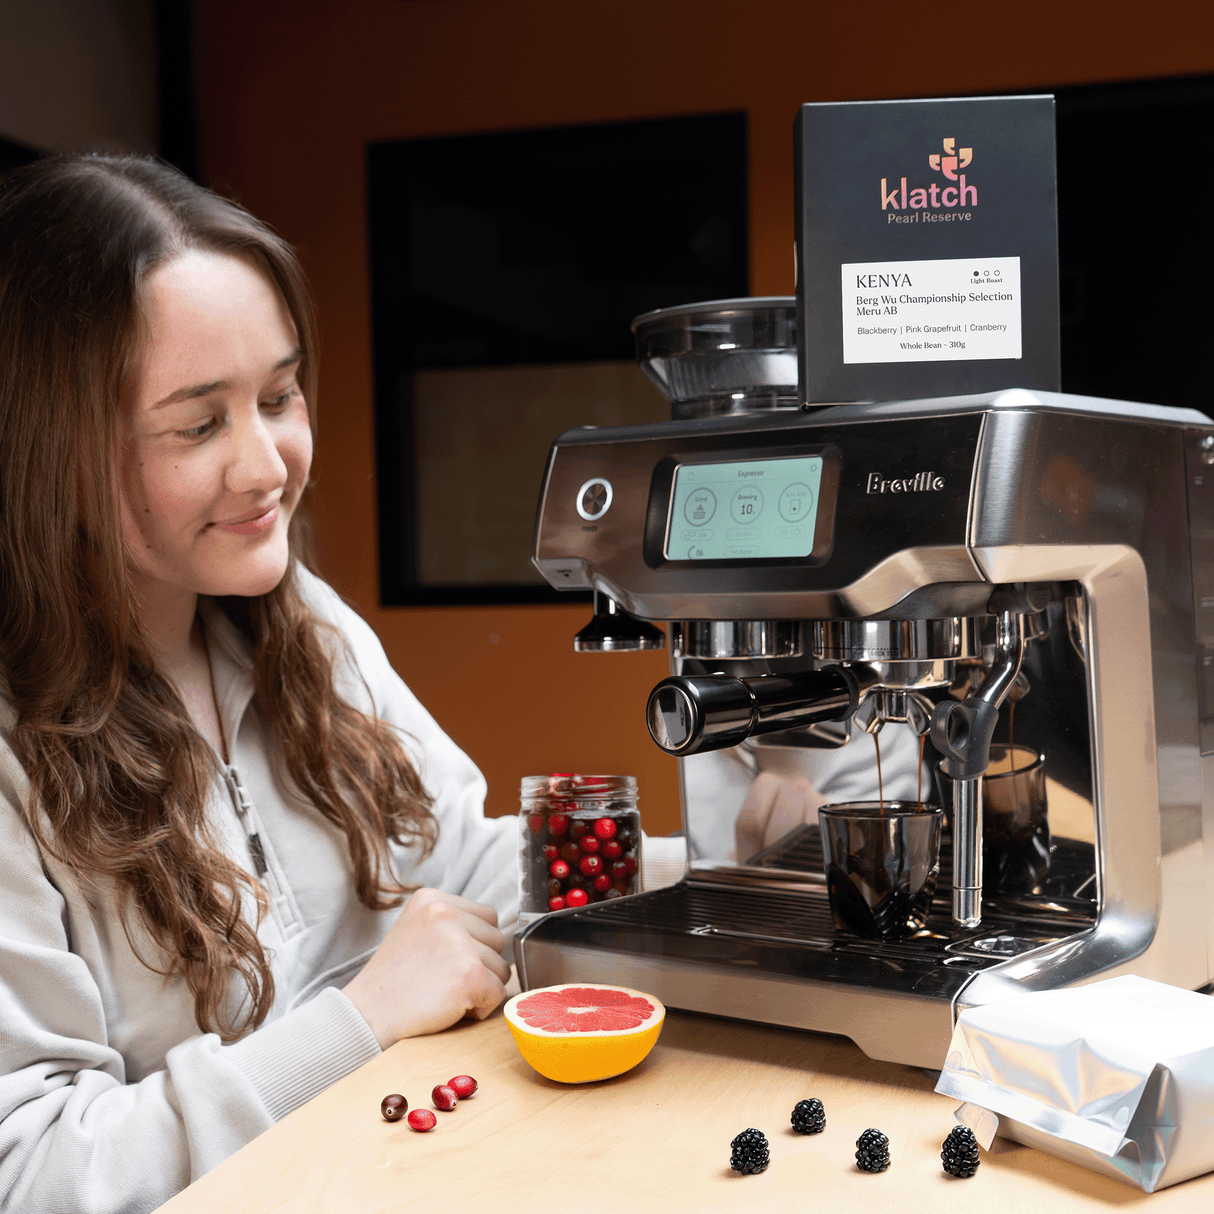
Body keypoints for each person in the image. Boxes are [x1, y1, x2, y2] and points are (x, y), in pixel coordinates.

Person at [0, 153, 519, 1212]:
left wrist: (732, 861)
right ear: (48, 449)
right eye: (199, 424)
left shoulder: (296, 624)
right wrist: (361, 1019)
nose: (267, 463)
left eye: (278, 396)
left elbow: (469, 870)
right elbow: (32, 1165)